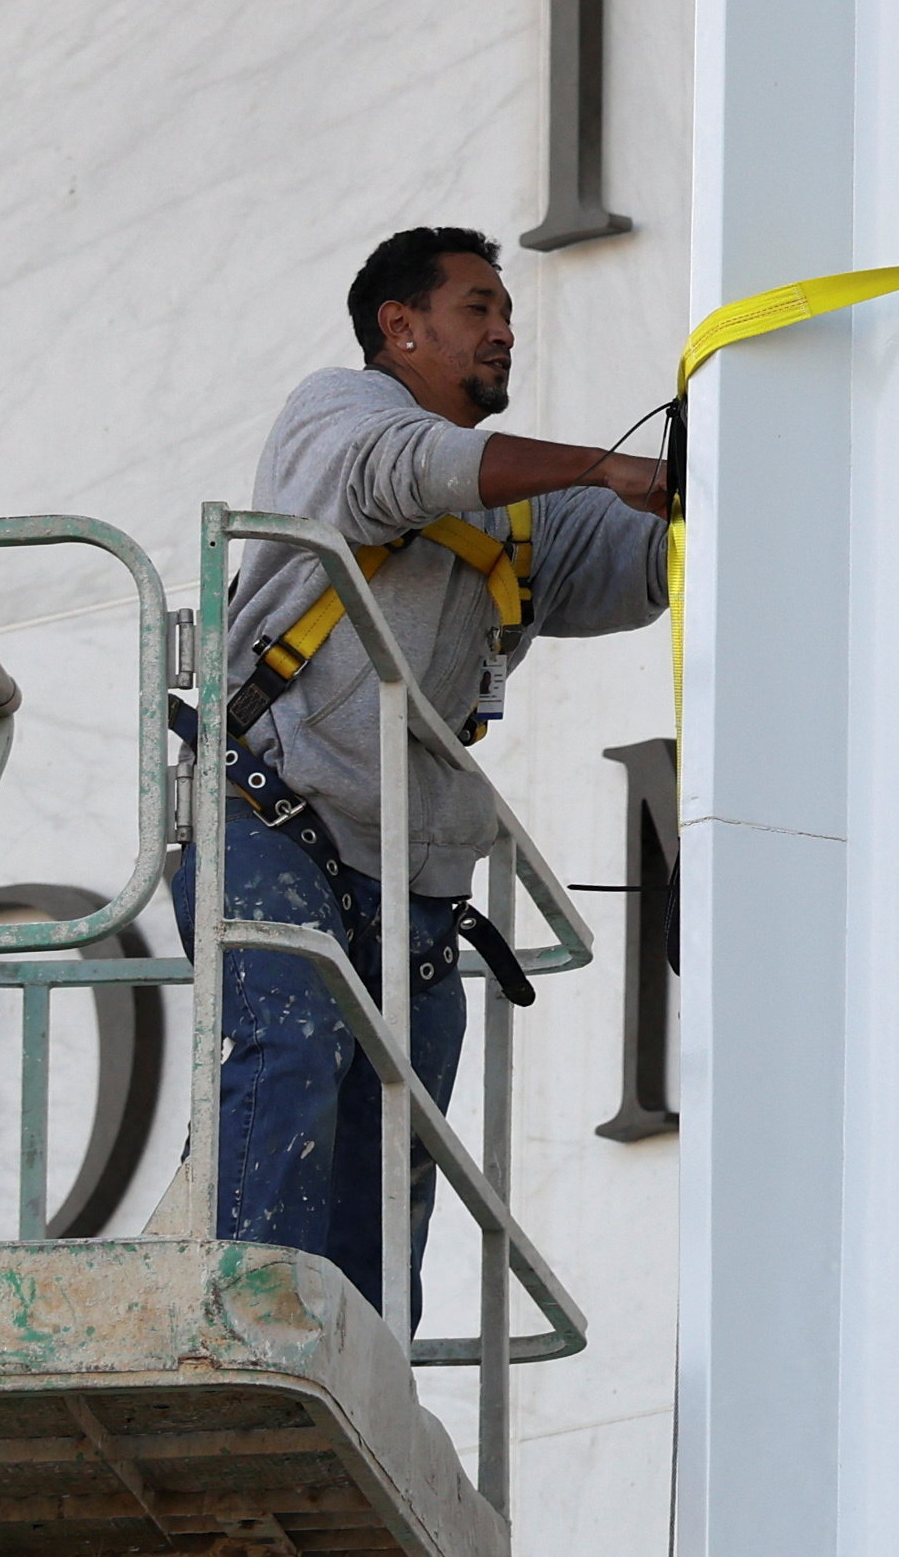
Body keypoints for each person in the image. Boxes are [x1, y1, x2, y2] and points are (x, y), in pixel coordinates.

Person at [192, 228, 676, 1319]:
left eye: (508, 313)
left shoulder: (522, 508)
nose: (503, 330)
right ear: (398, 329)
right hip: (271, 810)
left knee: (392, 1134)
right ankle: (242, 1333)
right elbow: (405, 476)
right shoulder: (338, 414)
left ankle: (358, 1377)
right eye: (476, 308)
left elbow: (634, 564)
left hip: (409, 863)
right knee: (290, 1052)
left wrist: (708, 467)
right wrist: (606, 464)